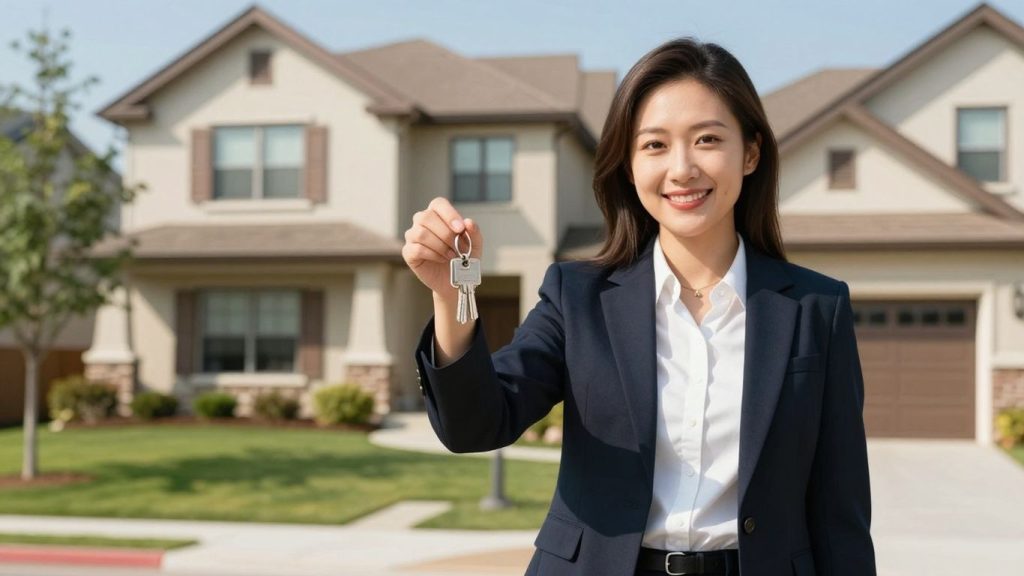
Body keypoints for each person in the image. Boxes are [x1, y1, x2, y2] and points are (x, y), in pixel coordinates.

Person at [402, 37, 875, 576]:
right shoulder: (577, 296)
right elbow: (476, 426)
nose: (682, 169)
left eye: (707, 139)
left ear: (749, 153)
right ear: (628, 166)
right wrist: (452, 294)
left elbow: (841, 511)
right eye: (654, 145)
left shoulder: (817, 308)